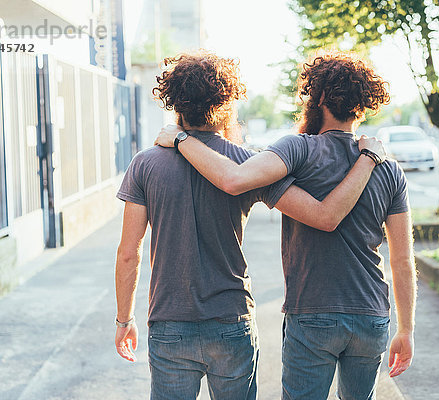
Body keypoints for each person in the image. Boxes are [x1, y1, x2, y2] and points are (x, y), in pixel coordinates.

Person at [114, 51, 386, 400]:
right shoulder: (248, 163)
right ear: (227, 103)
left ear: (174, 102)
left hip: (170, 322)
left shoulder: (145, 164)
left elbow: (128, 253)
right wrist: (364, 160)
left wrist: (124, 320)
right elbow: (321, 215)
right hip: (232, 321)